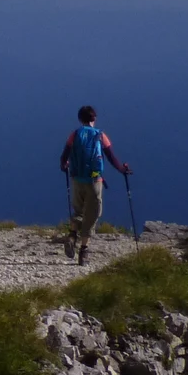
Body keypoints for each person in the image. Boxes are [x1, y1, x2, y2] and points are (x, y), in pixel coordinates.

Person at [58, 105, 130, 265]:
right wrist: (123, 170)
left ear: (80, 119)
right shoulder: (100, 135)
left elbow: (63, 158)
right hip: (94, 181)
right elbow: (111, 158)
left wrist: (65, 165)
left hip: (77, 179)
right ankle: (84, 252)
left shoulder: (74, 134)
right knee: (92, 214)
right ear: (94, 119)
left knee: (78, 210)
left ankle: (72, 235)